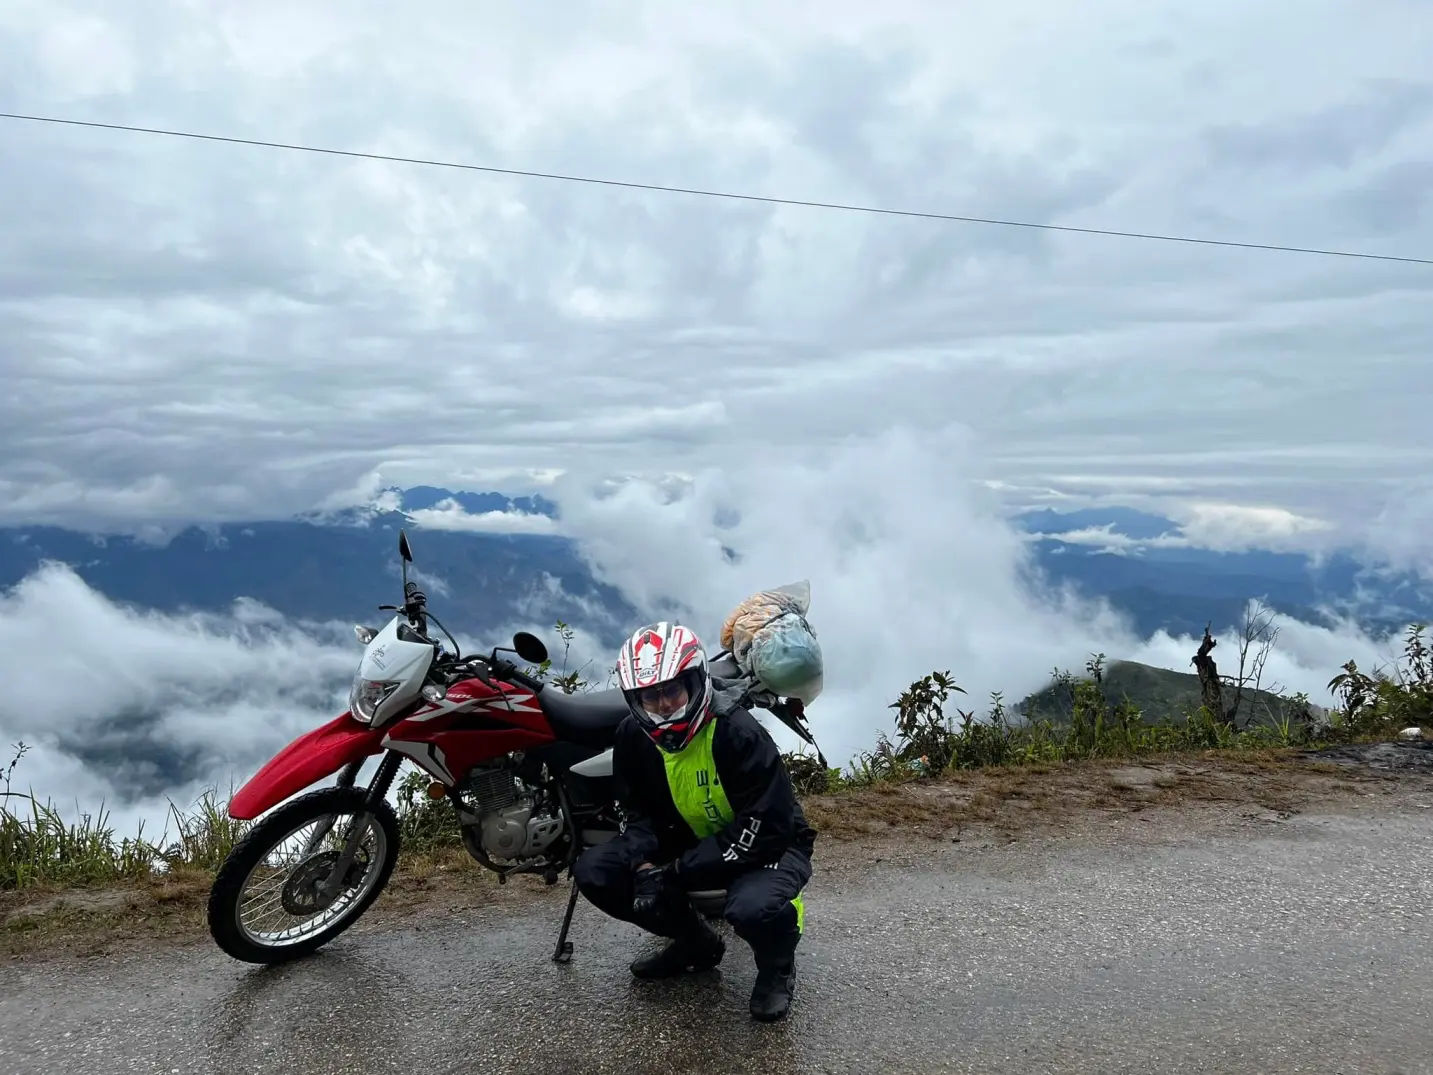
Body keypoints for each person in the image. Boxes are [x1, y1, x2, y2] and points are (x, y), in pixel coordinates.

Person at [573, 620, 816, 1022]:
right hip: (690, 837)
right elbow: (637, 816)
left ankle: (777, 967)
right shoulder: (632, 737)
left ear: (694, 681)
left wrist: (678, 872)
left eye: (671, 689)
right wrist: (642, 862)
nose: (663, 704)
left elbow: (766, 827)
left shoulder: (738, 733)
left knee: (753, 908)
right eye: (650, 695)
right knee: (595, 870)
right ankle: (695, 944)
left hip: (771, 844)